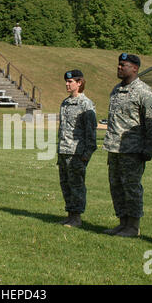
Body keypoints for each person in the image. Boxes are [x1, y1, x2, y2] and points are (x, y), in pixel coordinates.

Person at [103, 53, 152, 237]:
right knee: (117, 187)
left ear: (135, 68)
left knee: (131, 188)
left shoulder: (144, 92)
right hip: (115, 148)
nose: (119, 68)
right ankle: (122, 223)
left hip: (133, 151)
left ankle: (133, 226)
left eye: (123, 65)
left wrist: (148, 150)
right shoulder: (116, 90)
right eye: (119, 65)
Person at [57, 70, 97, 228]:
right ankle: (70, 214)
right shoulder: (65, 103)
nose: (67, 84)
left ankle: (77, 217)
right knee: (65, 184)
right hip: (64, 150)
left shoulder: (86, 104)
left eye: (71, 81)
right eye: (66, 81)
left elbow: (91, 131)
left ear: (79, 83)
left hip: (77, 153)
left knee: (77, 185)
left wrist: (87, 153)